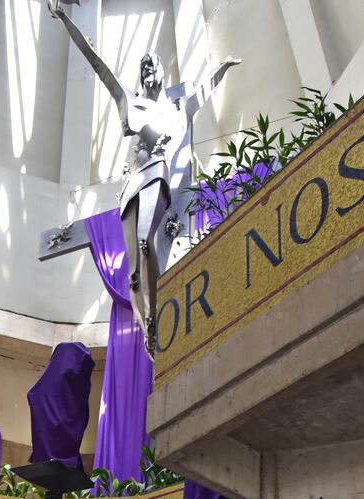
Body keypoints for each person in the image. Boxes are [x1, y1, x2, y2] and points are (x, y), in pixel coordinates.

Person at [48, 1, 239, 353]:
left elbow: (200, 95)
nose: (149, 68)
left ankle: (157, 314)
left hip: (157, 176)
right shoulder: (131, 103)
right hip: (130, 186)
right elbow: (97, 63)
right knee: (135, 262)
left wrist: (223, 68)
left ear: (162, 73)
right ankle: (149, 322)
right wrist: (64, 21)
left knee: (147, 241)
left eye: (153, 64)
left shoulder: (172, 108)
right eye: (144, 65)